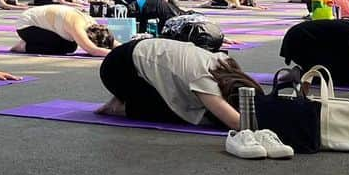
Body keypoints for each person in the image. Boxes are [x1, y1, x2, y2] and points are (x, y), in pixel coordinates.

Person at [97, 36, 268, 132]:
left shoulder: (225, 63)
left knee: (180, 92)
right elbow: (237, 123)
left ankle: (123, 97)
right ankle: (119, 106)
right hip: (116, 70)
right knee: (177, 112)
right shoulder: (203, 81)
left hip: (136, 52)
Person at [10, 4, 113, 57]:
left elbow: (112, 42)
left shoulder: (92, 23)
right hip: (26, 25)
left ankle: (34, 41)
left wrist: (126, 49)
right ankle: (23, 46)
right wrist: (116, 54)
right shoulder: (77, 26)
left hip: (42, 22)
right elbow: (93, 50)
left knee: (70, 46)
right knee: (60, 47)